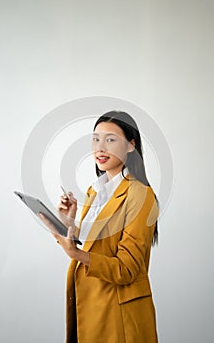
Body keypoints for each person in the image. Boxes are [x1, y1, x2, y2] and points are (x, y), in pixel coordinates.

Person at [39, 110, 159, 343]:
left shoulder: (140, 194)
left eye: (111, 140)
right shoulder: (96, 191)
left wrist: (75, 252)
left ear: (130, 146)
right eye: (96, 139)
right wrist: (68, 223)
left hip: (118, 314)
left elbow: (126, 269)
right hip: (92, 305)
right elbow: (96, 249)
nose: (100, 147)